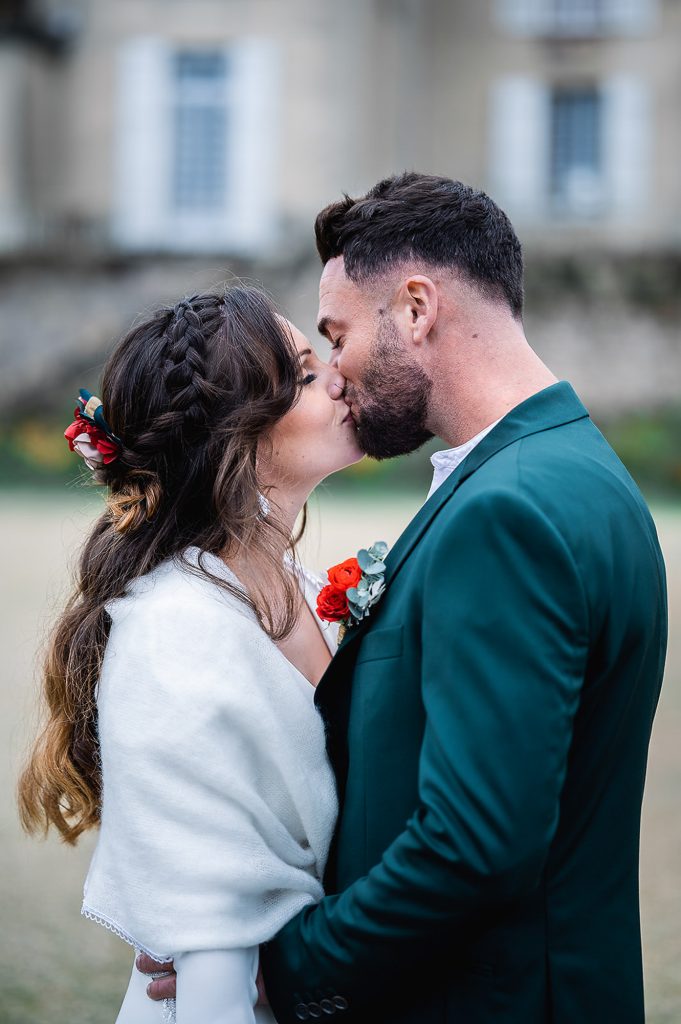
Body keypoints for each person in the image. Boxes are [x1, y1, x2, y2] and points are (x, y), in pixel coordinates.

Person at [137, 173, 666, 1024]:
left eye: (335, 336)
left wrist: (291, 968)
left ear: (416, 308)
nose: (335, 372)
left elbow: (474, 842)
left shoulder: (505, 511)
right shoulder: (580, 470)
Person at [18, 286, 364, 1022]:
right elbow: (209, 932)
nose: (340, 377)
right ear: (239, 435)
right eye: (306, 375)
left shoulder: (300, 589)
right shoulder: (175, 632)